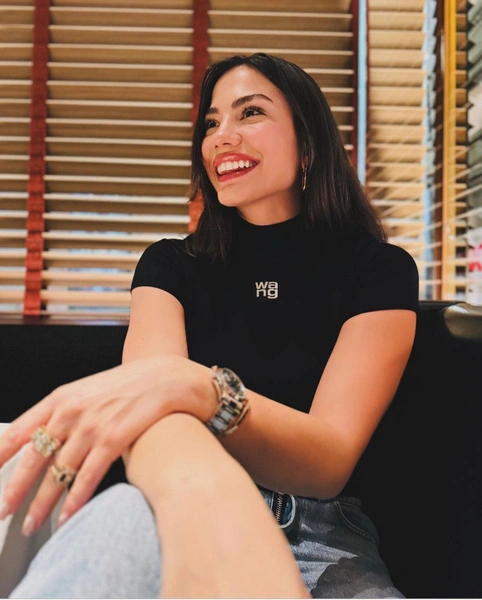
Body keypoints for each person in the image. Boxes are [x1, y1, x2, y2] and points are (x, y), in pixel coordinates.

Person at [0, 52, 419, 598]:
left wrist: (201, 388)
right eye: (211, 122)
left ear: (309, 144)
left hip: (324, 534)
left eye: (251, 113)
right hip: (174, 501)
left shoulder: (379, 271)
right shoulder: (170, 266)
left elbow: (329, 461)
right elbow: (150, 419)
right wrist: (207, 502)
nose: (222, 136)